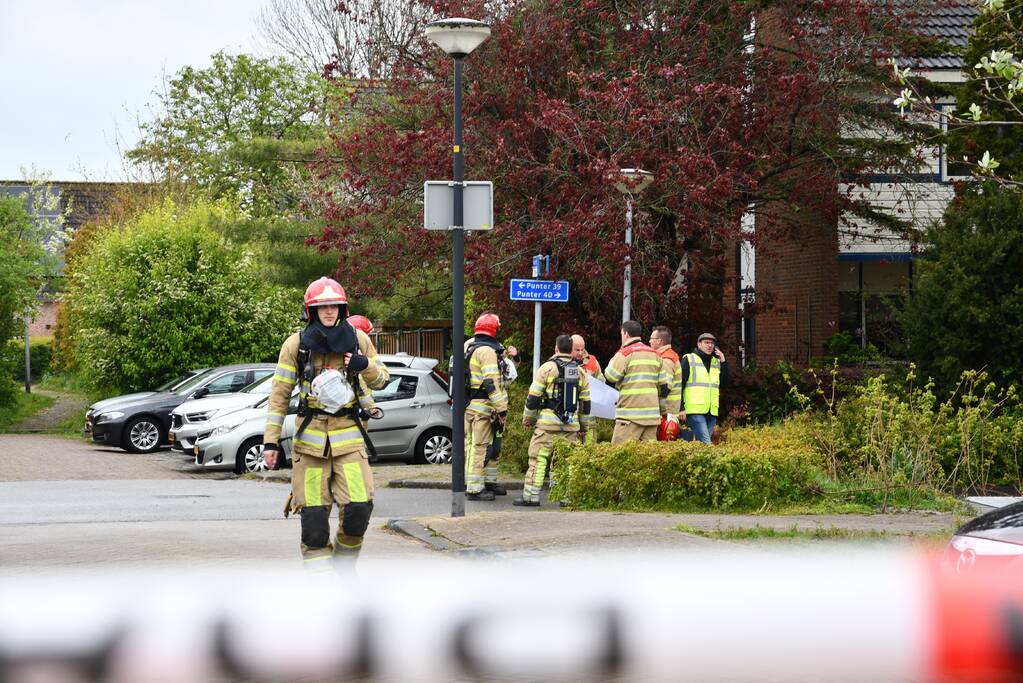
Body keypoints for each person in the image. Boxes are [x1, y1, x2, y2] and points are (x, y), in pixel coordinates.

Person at [262, 277, 390, 570]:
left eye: (334, 306)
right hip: (310, 446)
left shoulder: (359, 340)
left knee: (359, 509)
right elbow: (279, 395)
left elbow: (383, 379)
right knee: (314, 522)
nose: (329, 311)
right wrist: (270, 442)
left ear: (342, 308)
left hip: (350, 442)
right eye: (323, 307)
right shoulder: (296, 345)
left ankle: (343, 570)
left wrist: (364, 366)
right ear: (311, 311)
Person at [514, 335, 591, 507]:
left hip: (546, 427)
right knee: (566, 462)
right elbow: (586, 405)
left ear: (556, 348)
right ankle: (567, 498)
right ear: (571, 349)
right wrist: (583, 427)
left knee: (538, 459)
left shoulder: (546, 368)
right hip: (570, 427)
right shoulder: (580, 372)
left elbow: (533, 399)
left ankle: (531, 497)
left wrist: (528, 420)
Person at [463, 312, 510, 501]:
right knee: (480, 446)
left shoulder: (468, 346)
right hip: (485, 407)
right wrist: (502, 408)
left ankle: (488, 481)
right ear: (495, 329)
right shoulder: (488, 352)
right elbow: (491, 383)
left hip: (470, 404)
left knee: (484, 445)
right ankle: (475, 488)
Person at [604, 320, 670, 443]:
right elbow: (664, 388)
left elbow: (611, 376)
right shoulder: (655, 354)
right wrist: (662, 412)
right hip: (651, 418)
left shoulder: (625, 353)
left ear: (625, 334)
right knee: (649, 458)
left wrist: (616, 356)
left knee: (619, 455)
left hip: (629, 417)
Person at [681, 332, 730, 444]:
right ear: (699, 344)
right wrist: (681, 407)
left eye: (712, 343)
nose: (710, 346)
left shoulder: (715, 362)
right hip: (694, 410)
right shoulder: (689, 359)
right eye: (706, 342)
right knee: (706, 443)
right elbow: (680, 384)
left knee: (701, 445)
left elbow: (725, 382)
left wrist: (723, 361)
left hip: (711, 410)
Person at [649, 325, 683, 440]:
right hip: (669, 411)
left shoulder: (666, 359)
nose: (649, 341)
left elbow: (665, 388)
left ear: (659, 341)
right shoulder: (669, 356)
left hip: (665, 412)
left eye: (651, 339)